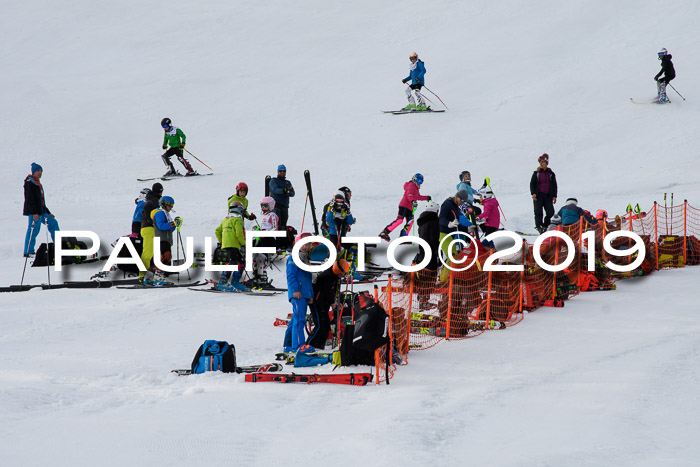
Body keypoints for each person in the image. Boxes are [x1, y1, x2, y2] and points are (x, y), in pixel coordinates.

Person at [307, 259, 349, 349]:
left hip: (323, 304)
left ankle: (319, 346)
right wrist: (332, 302)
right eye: (342, 273)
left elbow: (332, 292)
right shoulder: (327, 276)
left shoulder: (334, 277)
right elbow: (326, 291)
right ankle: (308, 345)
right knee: (320, 326)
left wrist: (335, 301)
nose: (343, 276)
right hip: (317, 303)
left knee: (325, 327)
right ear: (338, 271)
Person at [284, 233, 314, 352]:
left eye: (307, 244)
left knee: (295, 319)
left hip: (305, 293)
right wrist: (295, 289)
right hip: (298, 293)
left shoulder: (306, 260)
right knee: (300, 319)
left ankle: (288, 344)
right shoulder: (293, 258)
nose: (305, 247)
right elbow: (291, 275)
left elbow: (308, 278)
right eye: (303, 244)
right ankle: (299, 346)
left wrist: (310, 294)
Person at [23, 162, 60, 257]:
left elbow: (41, 201)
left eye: (41, 171)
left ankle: (59, 245)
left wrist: (48, 212)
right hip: (34, 212)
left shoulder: (38, 183)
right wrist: (34, 212)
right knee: (34, 230)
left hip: (41, 211)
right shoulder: (30, 182)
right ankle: (28, 251)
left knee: (53, 223)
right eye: (38, 171)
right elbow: (30, 199)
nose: (40, 172)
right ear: (34, 171)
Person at [379, 173, 431, 241]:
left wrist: (426, 197)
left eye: (421, 181)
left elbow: (417, 197)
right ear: (414, 179)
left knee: (410, 221)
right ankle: (384, 232)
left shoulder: (415, 188)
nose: (419, 183)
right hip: (404, 206)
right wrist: (413, 201)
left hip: (410, 208)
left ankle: (403, 236)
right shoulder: (411, 185)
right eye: (418, 180)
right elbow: (409, 195)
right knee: (399, 220)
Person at [143, 195, 181, 285]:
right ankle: (158, 278)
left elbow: (170, 229)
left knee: (161, 258)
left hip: (166, 239)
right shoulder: (160, 213)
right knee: (166, 257)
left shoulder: (166, 214)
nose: (171, 207)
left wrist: (175, 225)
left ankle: (148, 277)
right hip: (162, 239)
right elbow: (161, 226)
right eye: (170, 205)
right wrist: (172, 224)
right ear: (164, 204)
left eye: (172, 205)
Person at [215, 201, 247, 291]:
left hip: (225, 245)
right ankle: (230, 282)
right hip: (234, 246)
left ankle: (225, 282)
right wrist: (244, 243)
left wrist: (222, 241)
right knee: (240, 263)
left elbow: (217, 231)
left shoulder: (226, 219)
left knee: (230, 262)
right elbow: (239, 234)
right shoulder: (238, 220)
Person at [414, 201, 440, 309]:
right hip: (430, 255)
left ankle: (422, 298)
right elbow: (434, 239)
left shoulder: (422, 222)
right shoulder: (433, 221)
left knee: (424, 277)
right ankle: (424, 301)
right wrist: (438, 254)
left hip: (422, 253)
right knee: (429, 278)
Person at [250, 196, 279, 287]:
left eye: (265, 206)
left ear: (271, 206)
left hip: (268, 239)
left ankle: (262, 278)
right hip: (262, 238)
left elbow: (275, 228)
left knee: (261, 256)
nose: (263, 208)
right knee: (255, 256)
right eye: (262, 206)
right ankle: (257, 276)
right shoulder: (265, 216)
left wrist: (265, 234)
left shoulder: (272, 215)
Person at [139, 182, 163, 280]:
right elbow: (147, 210)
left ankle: (147, 275)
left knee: (152, 253)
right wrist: (151, 221)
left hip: (150, 228)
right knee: (147, 253)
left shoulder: (153, 200)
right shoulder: (153, 201)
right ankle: (142, 276)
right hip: (148, 228)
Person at [530, 153, 558, 234]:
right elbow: (532, 184)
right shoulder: (536, 173)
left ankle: (546, 225)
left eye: (542, 162)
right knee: (538, 212)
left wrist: (554, 196)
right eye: (540, 162)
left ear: (546, 163)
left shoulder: (551, 174)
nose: (541, 164)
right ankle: (539, 227)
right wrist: (533, 193)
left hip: (548, 196)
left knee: (550, 212)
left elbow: (554, 185)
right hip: (538, 196)